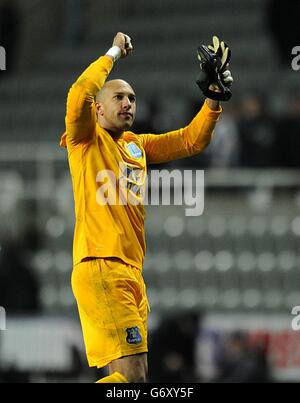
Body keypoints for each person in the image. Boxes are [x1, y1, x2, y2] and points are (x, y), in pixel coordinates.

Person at [60, 32, 231, 383]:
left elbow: (190, 140)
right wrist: (113, 54)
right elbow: (80, 92)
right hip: (103, 266)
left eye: (132, 98)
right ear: (99, 108)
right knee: (135, 379)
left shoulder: (136, 145)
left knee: (129, 377)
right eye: (118, 97)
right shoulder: (84, 139)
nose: (128, 103)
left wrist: (213, 99)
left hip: (129, 273)